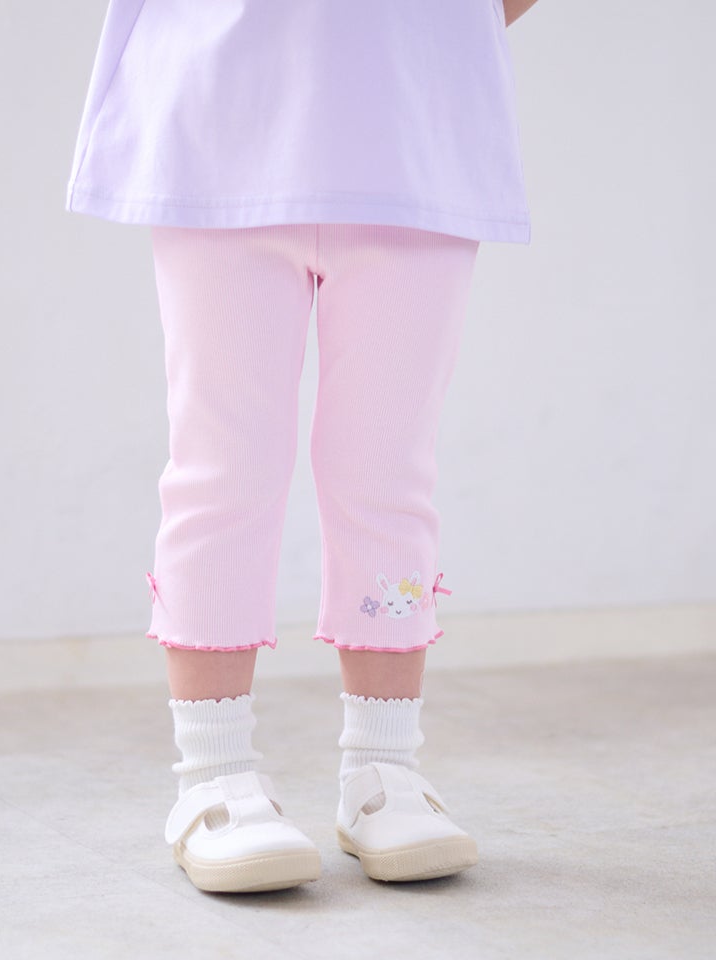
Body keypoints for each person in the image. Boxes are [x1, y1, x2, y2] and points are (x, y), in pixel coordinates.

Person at [65, 0, 539, 893]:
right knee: (222, 469)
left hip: (413, 130)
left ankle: (385, 766)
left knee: (386, 469)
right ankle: (211, 774)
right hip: (224, 130)